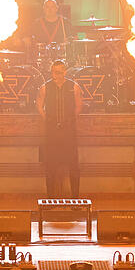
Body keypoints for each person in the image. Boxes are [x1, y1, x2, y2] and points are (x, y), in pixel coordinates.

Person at [36, 60, 83, 197]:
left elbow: (79, 105)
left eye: (58, 72)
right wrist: (47, 119)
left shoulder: (73, 86)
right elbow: (39, 105)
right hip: (52, 132)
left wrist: (70, 120)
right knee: (50, 166)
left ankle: (75, 198)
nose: (55, 75)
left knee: (74, 166)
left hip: (69, 132)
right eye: (53, 72)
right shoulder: (45, 87)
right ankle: (50, 198)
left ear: (64, 72)